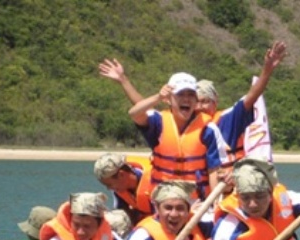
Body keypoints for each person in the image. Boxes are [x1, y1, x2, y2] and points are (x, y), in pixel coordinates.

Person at [99, 41, 286, 165]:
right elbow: (144, 110)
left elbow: (251, 96)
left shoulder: (225, 122)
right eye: (200, 101)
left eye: (207, 101)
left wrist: (267, 70)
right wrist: (123, 80)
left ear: (217, 102)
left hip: (222, 185)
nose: (202, 106)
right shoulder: (180, 120)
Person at [128, 72, 225, 200]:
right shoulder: (158, 122)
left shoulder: (208, 129)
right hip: (163, 200)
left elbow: (214, 171)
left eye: (191, 94)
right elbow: (134, 113)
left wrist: (214, 204)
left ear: (196, 100)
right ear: (168, 99)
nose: (186, 99)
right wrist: (158, 97)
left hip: (196, 201)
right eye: (180, 94)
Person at [94, 152, 154, 225]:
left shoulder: (155, 182)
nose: (109, 188)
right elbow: (120, 214)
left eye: (109, 184)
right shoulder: (118, 190)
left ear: (121, 174)